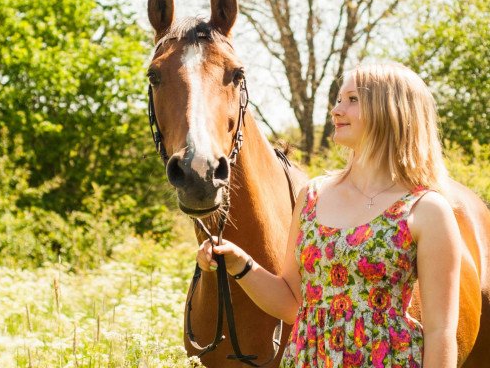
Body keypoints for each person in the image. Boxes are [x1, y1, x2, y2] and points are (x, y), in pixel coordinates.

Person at [197, 62, 461, 367]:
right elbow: (294, 303)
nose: (336, 111)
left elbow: (441, 331)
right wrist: (238, 263)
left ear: (393, 109)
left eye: (352, 100)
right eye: (338, 100)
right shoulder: (312, 196)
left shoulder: (426, 209)